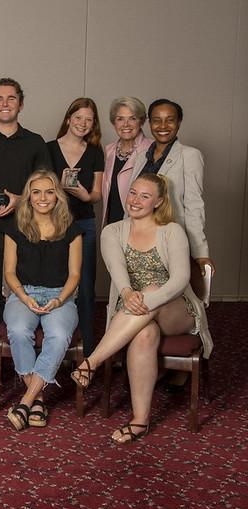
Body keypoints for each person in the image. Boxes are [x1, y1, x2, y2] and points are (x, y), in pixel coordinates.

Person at [70, 173, 212, 444]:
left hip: (176, 310)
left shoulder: (172, 231)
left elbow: (180, 280)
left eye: (144, 196)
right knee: (145, 334)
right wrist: (127, 293)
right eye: (133, 192)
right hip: (133, 309)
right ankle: (140, 421)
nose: (135, 200)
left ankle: (93, 362)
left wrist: (148, 298)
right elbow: (117, 271)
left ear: (158, 201)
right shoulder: (112, 231)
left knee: (149, 291)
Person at [0, 77, 51, 372]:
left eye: (11, 98)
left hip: (27, 229)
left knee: (24, 289)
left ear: (21, 103)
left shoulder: (35, 142)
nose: (5, 104)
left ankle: (23, 356)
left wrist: (20, 200)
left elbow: (46, 185)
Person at [1, 171, 81, 430]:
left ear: (57, 196)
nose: (43, 198)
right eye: (36, 192)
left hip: (61, 295)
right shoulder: (15, 226)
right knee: (18, 330)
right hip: (23, 293)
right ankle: (39, 400)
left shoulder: (72, 227)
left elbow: (75, 274)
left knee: (58, 334)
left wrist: (59, 300)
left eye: (49, 192)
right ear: (29, 196)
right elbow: (10, 272)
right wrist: (23, 296)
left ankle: (25, 402)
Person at [47, 98, 104, 357]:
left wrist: (82, 194)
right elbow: (38, 190)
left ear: (94, 124)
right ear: (68, 118)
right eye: (78, 117)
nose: (83, 123)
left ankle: (88, 350)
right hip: (53, 224)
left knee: (86, 286)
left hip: (84, 223)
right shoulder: (47, 149)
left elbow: (96, 195)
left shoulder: (95, 152)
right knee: (55, 283)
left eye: (88, 119)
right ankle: (57, 344)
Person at [132, 99, 215, 277]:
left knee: (167, 297)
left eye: (170, 120)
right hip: (138, 239)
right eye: (156, 120)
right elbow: (133, 200)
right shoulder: (140, 157)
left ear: (178, 123)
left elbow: (194, 205)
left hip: (170, 240)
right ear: (149, 123)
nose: (163, 125)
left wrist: (200, 252)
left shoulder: (189, 155)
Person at [101, 97, 152, 225]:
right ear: (114, 122)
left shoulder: (152, 149)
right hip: (112, 224)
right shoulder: (108, 151)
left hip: (141, 226)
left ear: (141, 121)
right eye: (120, 119)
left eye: (132, 118)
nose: (126, 124)